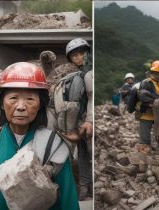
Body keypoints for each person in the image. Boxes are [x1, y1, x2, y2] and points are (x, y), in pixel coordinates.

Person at [0, 62, 80, 210]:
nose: (21, 107)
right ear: (2, 103)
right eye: (13, 98)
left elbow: (68, 200)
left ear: (40, 104)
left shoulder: (53, 145)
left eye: (30, 99)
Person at [65, 38, 93, 201]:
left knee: (90, 153)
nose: (77, 58)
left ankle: (91, 188)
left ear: (87, 53)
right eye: (74, 56)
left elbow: (91, 97)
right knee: (82, 155)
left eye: (80, 54)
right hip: (79, 122)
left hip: (87, 121)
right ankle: (84, 188)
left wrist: (89, 120)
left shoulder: (89, 73)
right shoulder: (78, 75)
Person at [136, 60, 159, 154]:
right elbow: (142, 96)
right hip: (147, 112)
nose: (157, 75)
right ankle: (144, 149)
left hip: (158, 112)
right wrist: (154, 102)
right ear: (151, 72)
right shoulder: (145, 82)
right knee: (145, 131)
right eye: (155, 72)